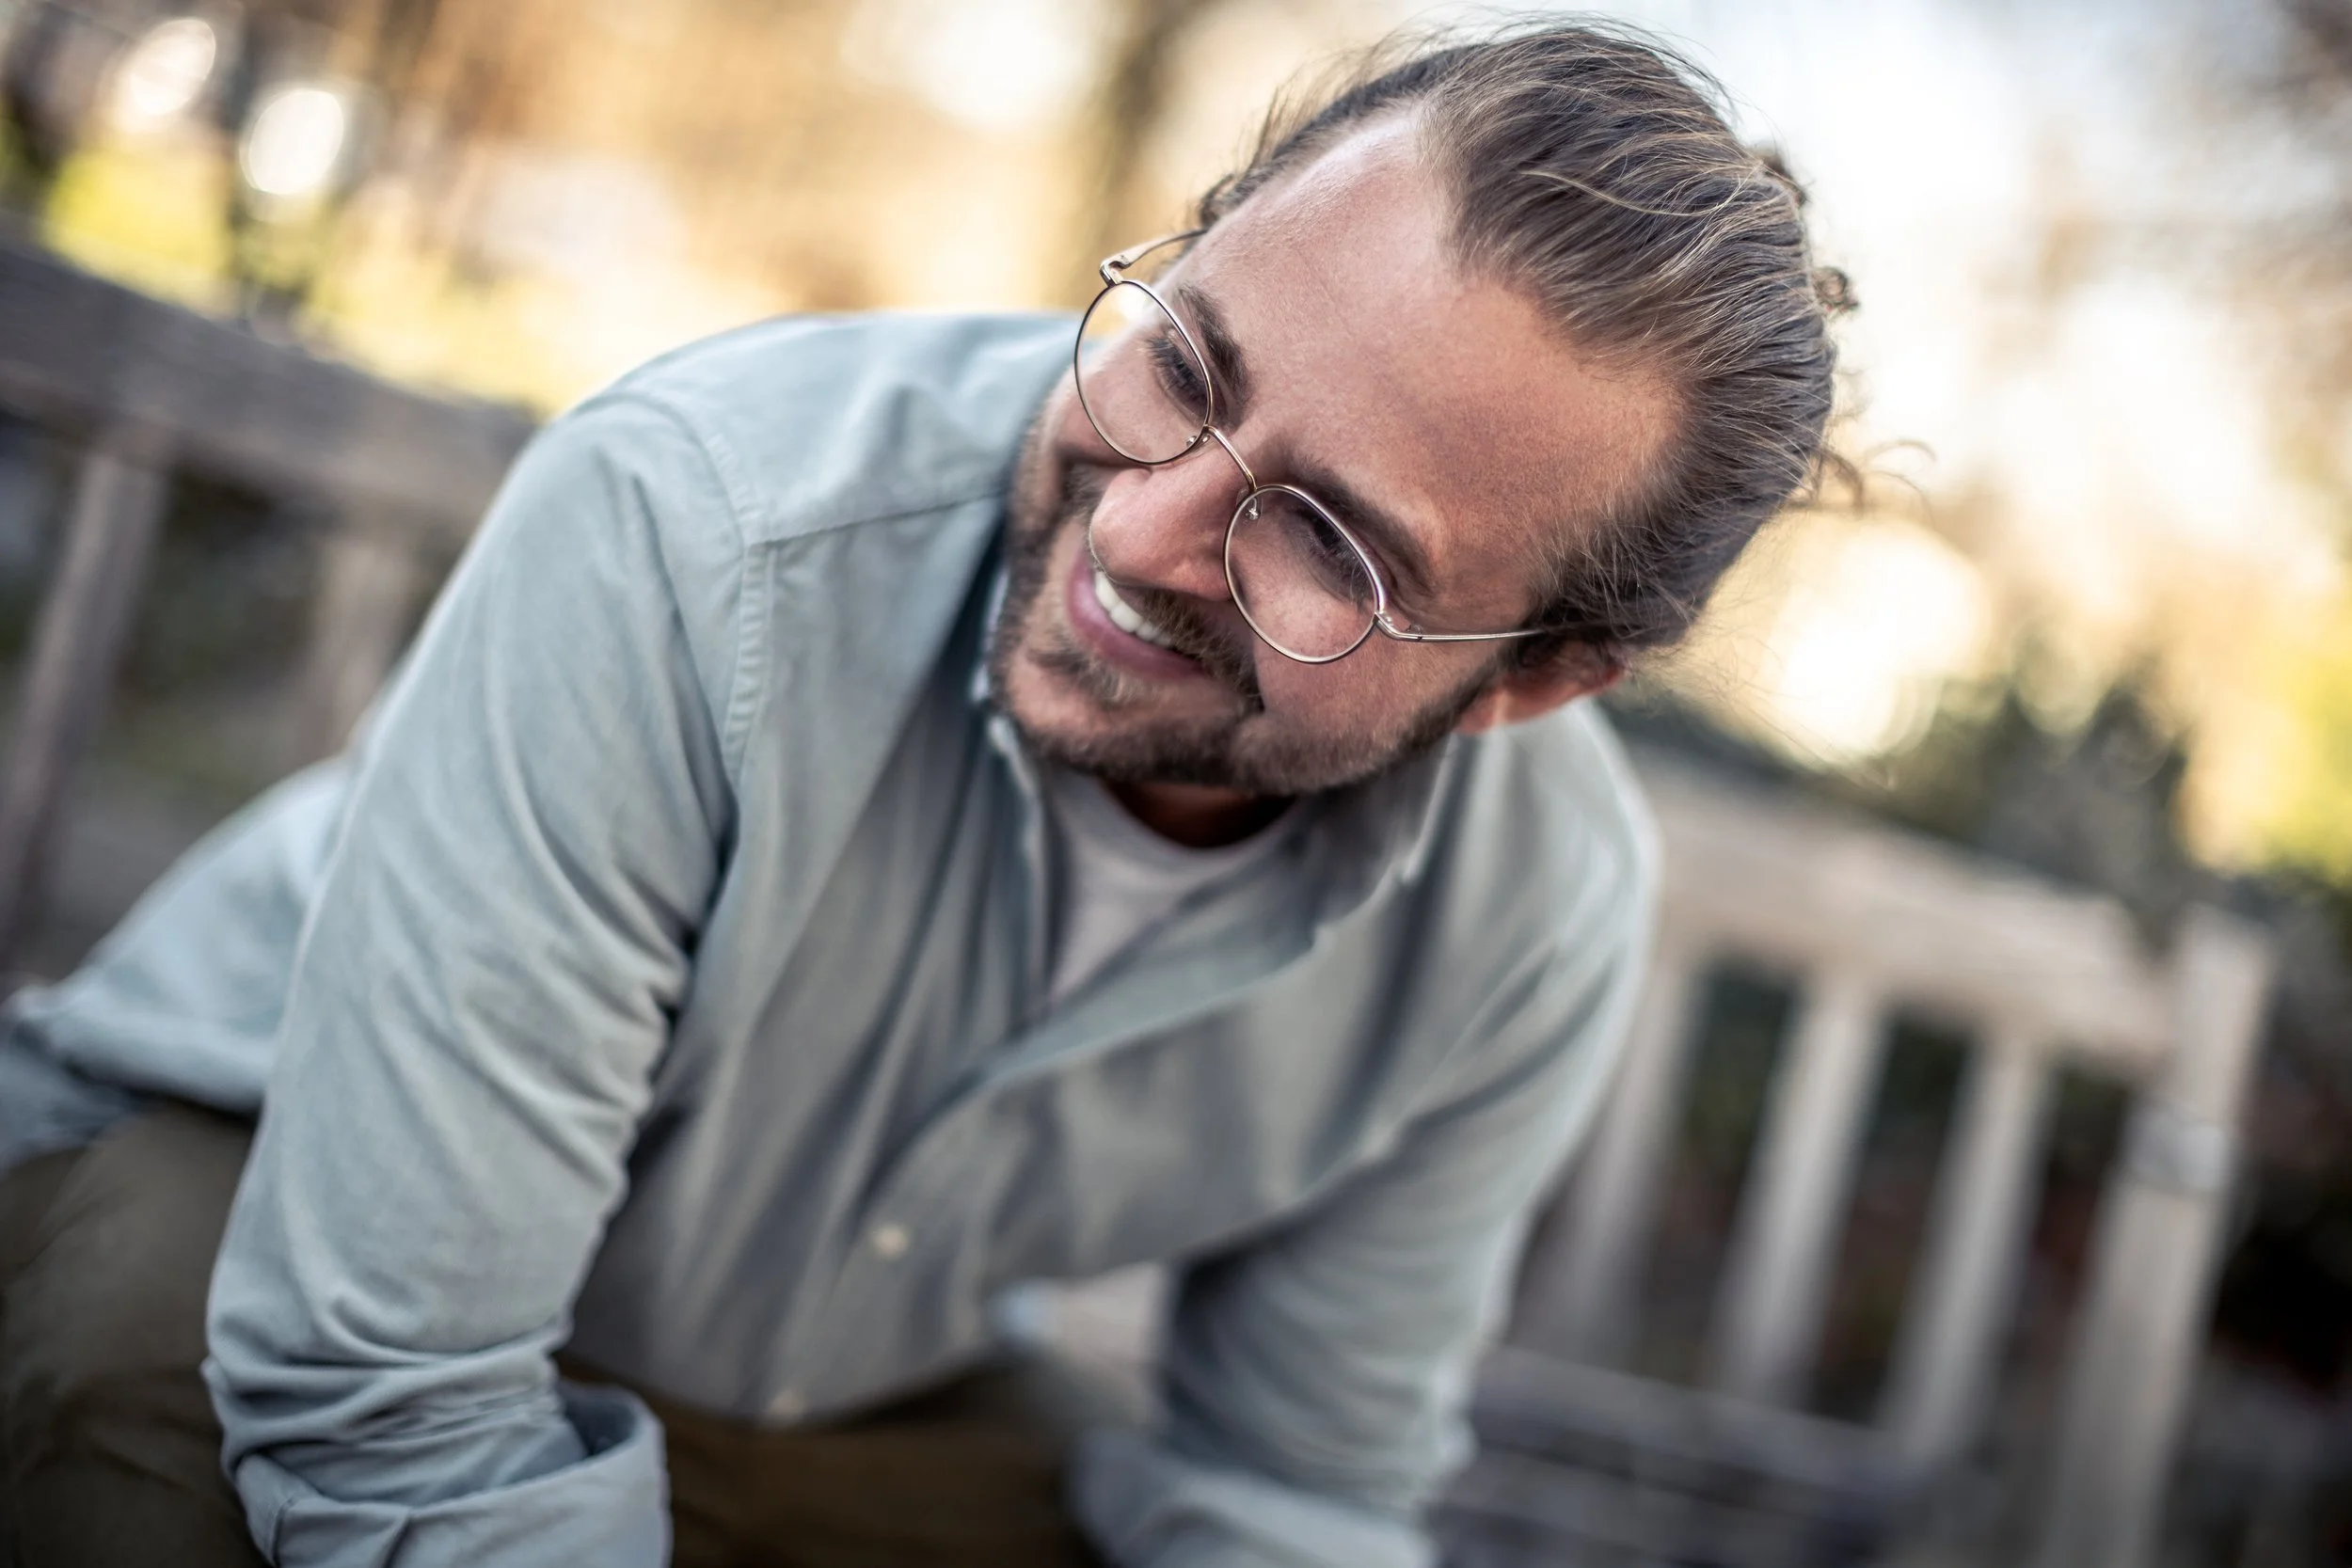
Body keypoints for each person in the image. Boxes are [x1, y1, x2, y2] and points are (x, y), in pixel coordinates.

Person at [0, 21, 1843, 1568]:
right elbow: (387, 1404)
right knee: (145, 1373)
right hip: (256, 1184)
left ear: (1532, 679)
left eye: (1331, 545)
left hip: (834, 1386)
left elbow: (1284, 1487)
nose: (1140, 533)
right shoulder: (693, 528)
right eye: (1183, 363)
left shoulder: (1531, 911)